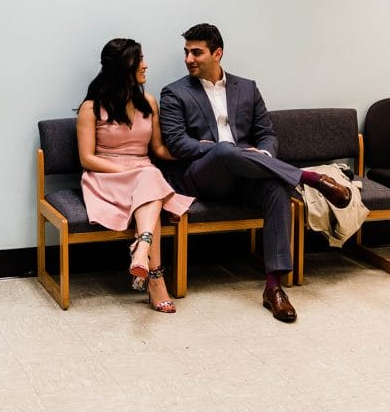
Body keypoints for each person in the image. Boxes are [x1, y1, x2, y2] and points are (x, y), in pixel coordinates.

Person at [159, 23, 353, 323]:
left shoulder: (246, 87)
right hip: (201, 176)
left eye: (196, 52)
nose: (188, 59)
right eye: (186, 52)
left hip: (246, 174)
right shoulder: (174, 93)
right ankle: (311, 179)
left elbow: (267, 134)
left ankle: (273, 288)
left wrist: (262, 155)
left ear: (217, 53)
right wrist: (217, 149)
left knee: (275, 189)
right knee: (225, 149)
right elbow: (177, 142)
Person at [78, 38, 193, 312]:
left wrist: (199, 149)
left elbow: (158, 149)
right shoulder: (91, 108)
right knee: (150, 179)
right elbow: (87, 158)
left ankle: (143, 252)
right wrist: (127, 169)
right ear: (123, 66)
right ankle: (155, 278)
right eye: (139, 59)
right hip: (105, 176)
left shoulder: (149, 102)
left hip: (144, 175)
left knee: (150, 177)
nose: (145, 64)